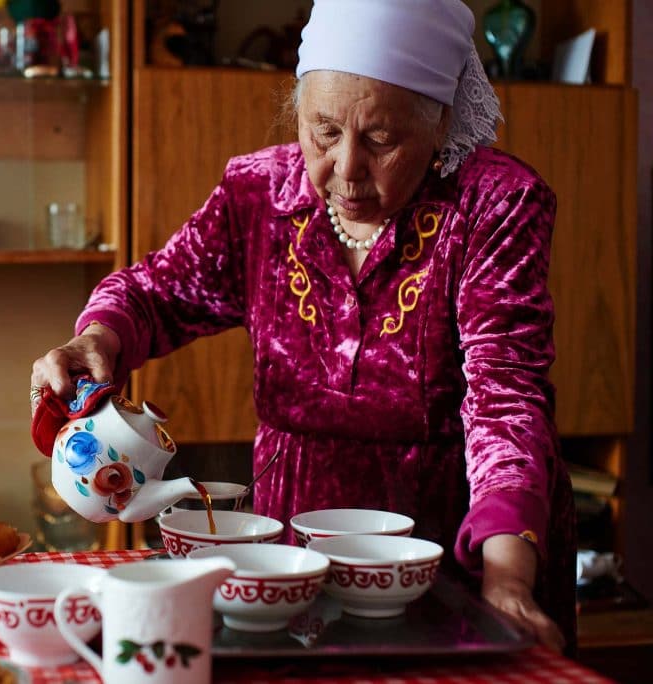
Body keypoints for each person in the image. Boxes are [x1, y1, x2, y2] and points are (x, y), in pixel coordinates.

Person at [30, 0, 575, 654]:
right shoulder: (259, 193)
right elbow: (156, 291)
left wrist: (508, 578)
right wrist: (99, 338)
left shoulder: (493, 204)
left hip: (453, 556)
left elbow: (506, 396)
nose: (347, 169)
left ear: (442, 124)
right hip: (293, 553)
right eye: (324, 131)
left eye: (380, 140)